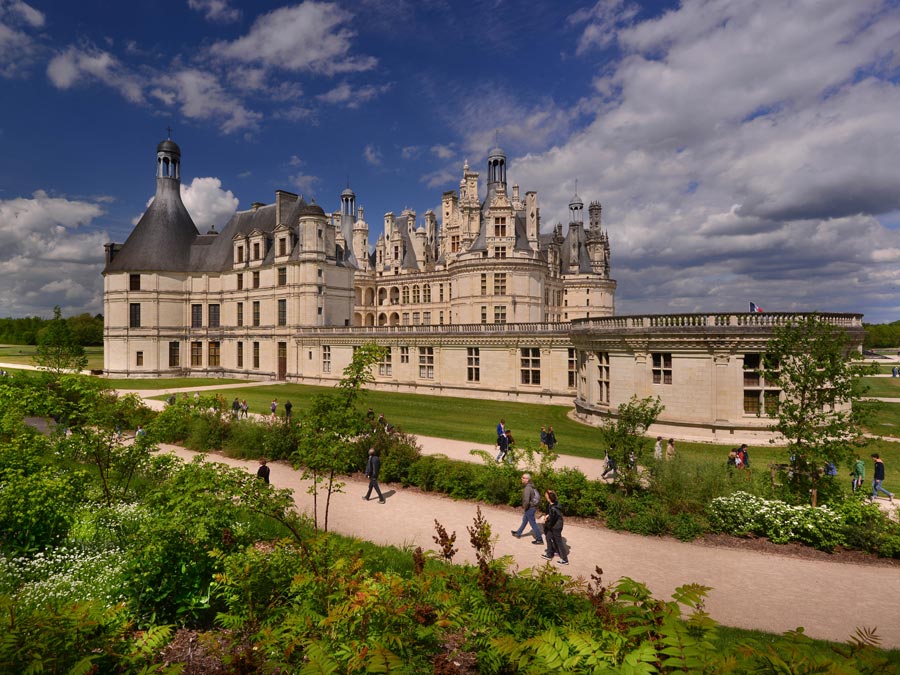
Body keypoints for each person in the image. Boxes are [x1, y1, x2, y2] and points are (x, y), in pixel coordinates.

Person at [511, 473, 544, 544]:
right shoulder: (531, 486)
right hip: (532, 507)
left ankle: (539, 539)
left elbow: (526, 500)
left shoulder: (527, 488)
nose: (521, 479)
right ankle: (518, 533)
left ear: (527, 479)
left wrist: (525, 508)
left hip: (530, 508)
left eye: (523, 478)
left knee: (533, 523)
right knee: (525, 521)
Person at [540, 489, 569, 565]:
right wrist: (547, 516)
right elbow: (550, 514)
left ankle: (565, 559)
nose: (545, 495)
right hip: (553, 525)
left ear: (549, 497)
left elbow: (552, 519)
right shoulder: (552, 504)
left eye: (546, 495)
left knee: (558, 542)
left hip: (556, 526)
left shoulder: (554, 508)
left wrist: (545, 521)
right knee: (548, 537)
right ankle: (549, 554)